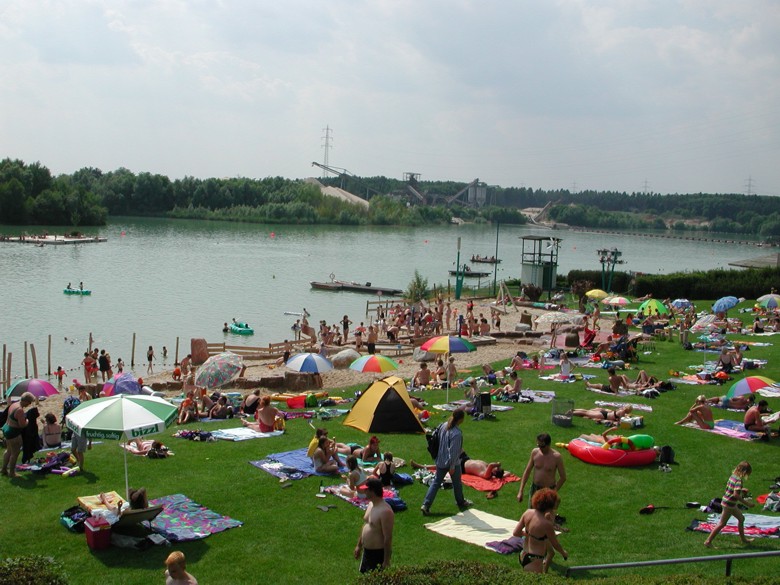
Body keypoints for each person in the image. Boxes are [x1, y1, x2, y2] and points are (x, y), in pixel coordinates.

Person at [421, 409, 473, 515]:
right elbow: (453, 452)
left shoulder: (443, 425)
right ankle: (460, 502)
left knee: (436, 483)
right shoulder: (456, 433)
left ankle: (426, 505)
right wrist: (452, 466)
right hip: (451, 463)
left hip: (440, 460)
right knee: (457, 483)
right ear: (461, 419)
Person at [513, 488, 568, 573]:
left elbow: (516, 533)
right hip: (535, 558)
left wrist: (527, 534)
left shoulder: (528, 512)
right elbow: (555, 544)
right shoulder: (546, 524)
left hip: (523, 553)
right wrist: (563, 553)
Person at [703, 461, 755, 547]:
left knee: (741, 519)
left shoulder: (733, 476)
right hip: (729, 504)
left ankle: (744, 540)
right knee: (722, 523)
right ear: (745, 472)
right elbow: (736, 495)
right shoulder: (738, 480)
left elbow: (731, 488)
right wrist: (747, 503)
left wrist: (741, 490)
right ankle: (708, 542)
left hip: (729, 503)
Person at [354, 477, 394, 573]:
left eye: (366, 490)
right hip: (366, 551)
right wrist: (359, 545)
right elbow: (366, 525)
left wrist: (386, 561)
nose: (364, 492)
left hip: (377, 554)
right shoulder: (371, 505)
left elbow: (388, 538)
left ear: (372, 491)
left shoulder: (385, 511)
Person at [517, 433, 566, 505]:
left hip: (548, 490)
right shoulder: (535, 452)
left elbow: (563, 477)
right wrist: (520, 491)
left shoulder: (556, 457)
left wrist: (554, 491)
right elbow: (527, 471)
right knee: (532, 510)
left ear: (549, 444)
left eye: (542, 446)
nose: (540, 448)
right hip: (535, 489)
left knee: (546, 511)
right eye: (538, 445)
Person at [2, 392, 36, 477]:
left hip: (7, 428)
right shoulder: (19, 410)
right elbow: (22, 425)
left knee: (8, 450)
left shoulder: (14, 404)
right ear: (26, 401)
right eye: (29, 402)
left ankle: (4, 469)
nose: (29, 404)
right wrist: (27, 421)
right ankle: (12, 473)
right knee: (15, 453)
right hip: (13, 432)